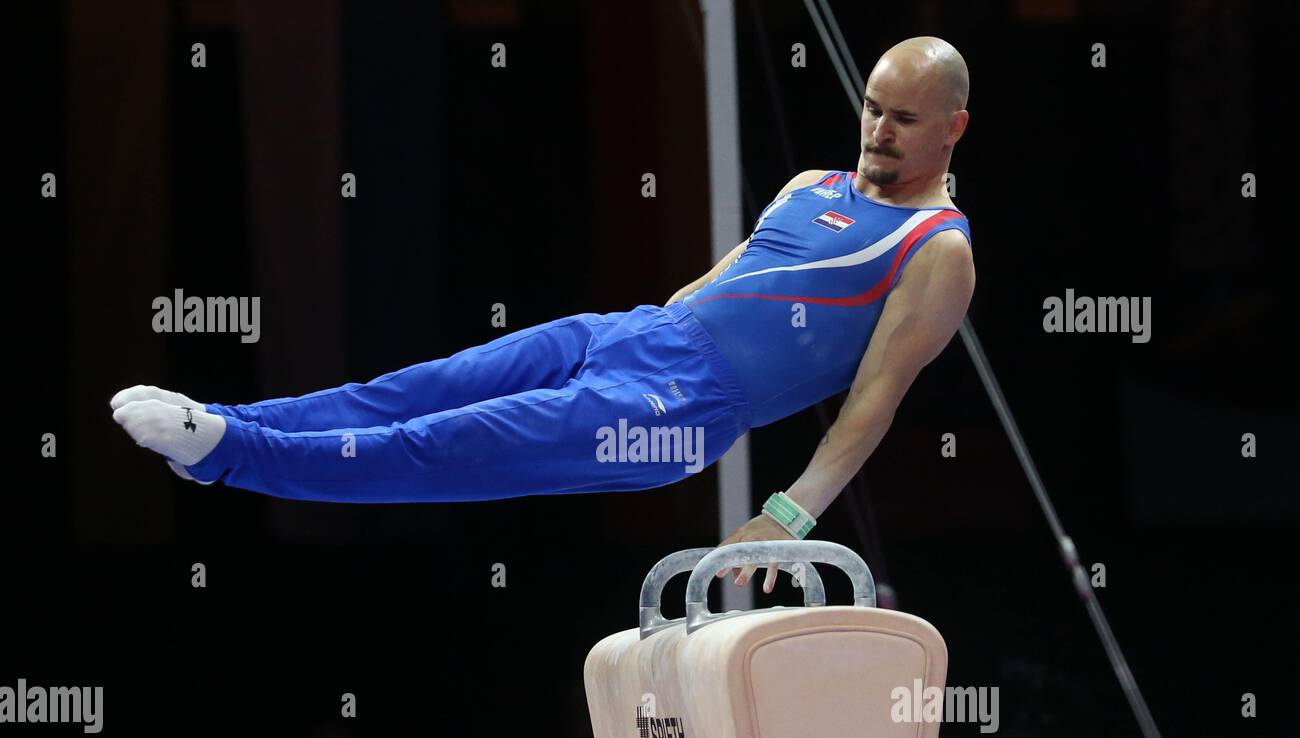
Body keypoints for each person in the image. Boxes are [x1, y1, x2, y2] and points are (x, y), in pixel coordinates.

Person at [112, 36, 974, 588]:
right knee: (416, 388)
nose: (877, 130)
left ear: (952, 129)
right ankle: (221, 426)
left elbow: (875, 400)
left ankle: (234, 457)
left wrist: (784, 518)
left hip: (681, 412)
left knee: (455, 443)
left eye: (903, 118)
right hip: (634, 334)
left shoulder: (938, 250)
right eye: (870, 106)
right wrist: (634, 336)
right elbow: (712, 288)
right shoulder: (808, 186)